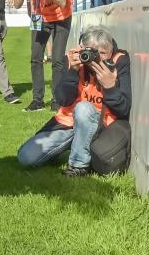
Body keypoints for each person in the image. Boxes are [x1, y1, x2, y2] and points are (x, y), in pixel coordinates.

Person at [15, 26, 131, 177]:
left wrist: (110, 87)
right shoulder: (72, 59)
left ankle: (78, 166)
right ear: (83, 49)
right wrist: (73, 72)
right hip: (69, 123)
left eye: (103, 53)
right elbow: (62, 100)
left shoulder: (119, 61)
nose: (97, 58)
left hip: (101, 124)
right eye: (92, 52)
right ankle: (77, 143)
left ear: (111, 51)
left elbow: (124, 109)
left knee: (83, 108)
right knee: (26, 158)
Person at [10, 0, 71, 112]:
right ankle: (37, 100)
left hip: (61, 18)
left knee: (57, 60)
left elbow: (62, 1)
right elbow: (16, 5)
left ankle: (56, 100)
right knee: (35, 58)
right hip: (40, 18)